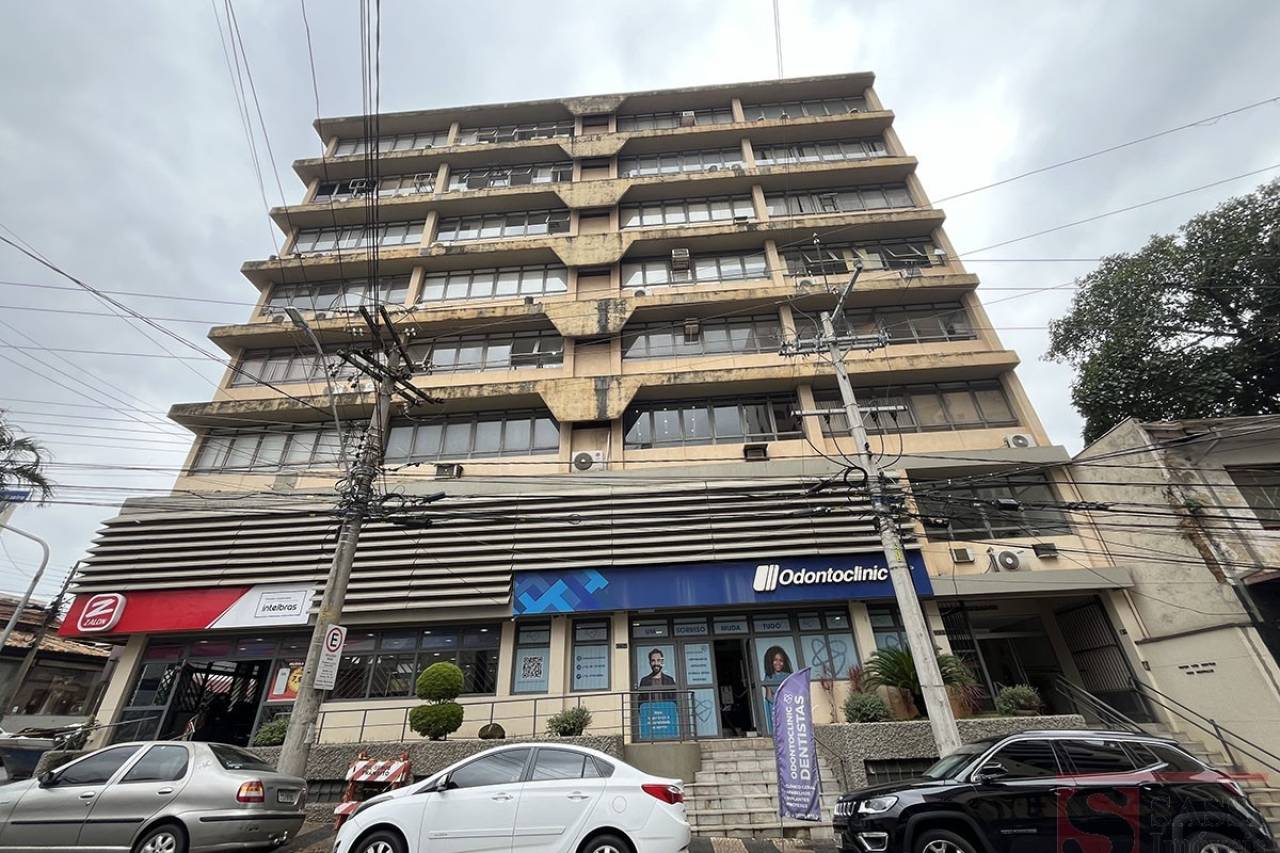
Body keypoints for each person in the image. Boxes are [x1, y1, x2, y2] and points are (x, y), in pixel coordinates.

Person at [761, 646, 793, 734]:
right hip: (775, 708)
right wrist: (778, 704)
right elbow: (768, 696)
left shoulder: (788, 676)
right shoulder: (768, 677)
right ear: (770, 661)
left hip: (788, 708)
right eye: (775, 660)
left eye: (781, 660)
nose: (778, 663)